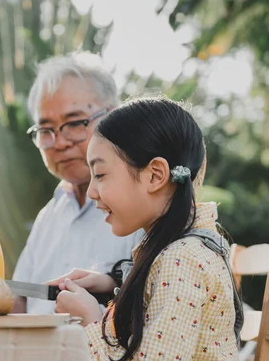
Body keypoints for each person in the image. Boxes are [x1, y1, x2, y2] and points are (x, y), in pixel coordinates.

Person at [49, 97, 241, 360]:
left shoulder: (182, 260)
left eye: (101, 175)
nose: (92, 192)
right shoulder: (178, 251)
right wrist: (114, 283)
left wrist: (91, 322)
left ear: (155, 176)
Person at [12, 52, 143, 314]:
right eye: (46, 130)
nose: (59, 142)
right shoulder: (50, 215)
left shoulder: (143, 208)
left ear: (114, 118)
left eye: (74, 123)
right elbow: (20, 298)